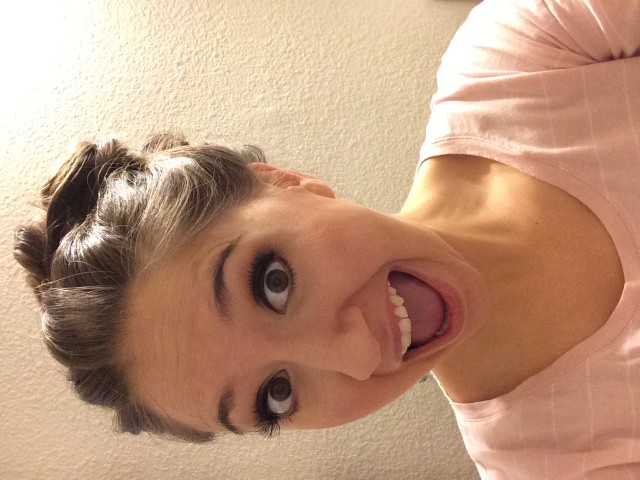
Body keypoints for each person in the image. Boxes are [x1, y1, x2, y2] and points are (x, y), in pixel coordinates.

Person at [13, 0, 640, 477]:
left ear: (283, 182)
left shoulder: (519, 65)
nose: (356, 353)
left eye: (273, 282)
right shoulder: (551, 465)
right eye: (276, 395)